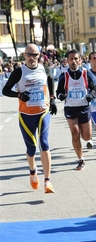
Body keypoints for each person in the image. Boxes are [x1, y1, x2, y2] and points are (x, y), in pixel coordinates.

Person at [2, 43, 56, 193]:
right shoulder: (19, 72)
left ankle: (47, 181)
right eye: (29, 55)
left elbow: (50, 79)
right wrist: (19, 95)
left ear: (39, 55)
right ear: (24, 55)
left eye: (35, 55)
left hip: (42, 112)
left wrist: (52, 98)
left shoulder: (45, 69)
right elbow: (5, 90)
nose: (32, 58)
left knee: (44, 144)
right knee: (31, 149)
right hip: (26, 115)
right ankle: (33, 171)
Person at [56, 49, 96, 170]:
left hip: (84, 107)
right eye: (71, 59)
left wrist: (91, 95)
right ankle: (81, 159)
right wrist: (61, 96)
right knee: (75, 133)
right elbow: (59, 92)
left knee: (86, 136)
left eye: (76, 59)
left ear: (80, 60)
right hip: (70, 108)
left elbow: (94, 88)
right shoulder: (64, 76)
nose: (73, 61)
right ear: (67, 61)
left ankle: (89, 139)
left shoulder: (86, 73)